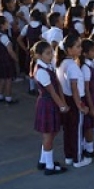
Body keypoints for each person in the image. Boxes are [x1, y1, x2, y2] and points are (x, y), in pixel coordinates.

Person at [32, 40, 69, 176]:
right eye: (48, 53)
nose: (51, 55)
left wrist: (62, 102)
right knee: (48, 135)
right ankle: (49, 166)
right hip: (48, 103)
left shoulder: (48, 66)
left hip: (51, 103)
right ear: (39, 56)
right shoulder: (41, 71)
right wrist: (62, 106)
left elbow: (57, 85)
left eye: (51, 52)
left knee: (52, 133)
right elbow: (52, 91)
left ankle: (43, 161)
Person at [56, 34, 92, 168]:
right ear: (69, 50)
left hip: (66, 99)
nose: (80, 49)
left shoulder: (61, 63)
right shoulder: (72, 66)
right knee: (77, 130)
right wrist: (80, 106)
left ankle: (69, 156)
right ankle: (78, 159)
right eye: (77, 46)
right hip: (75, 100)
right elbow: (74, 88)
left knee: (68, 130)